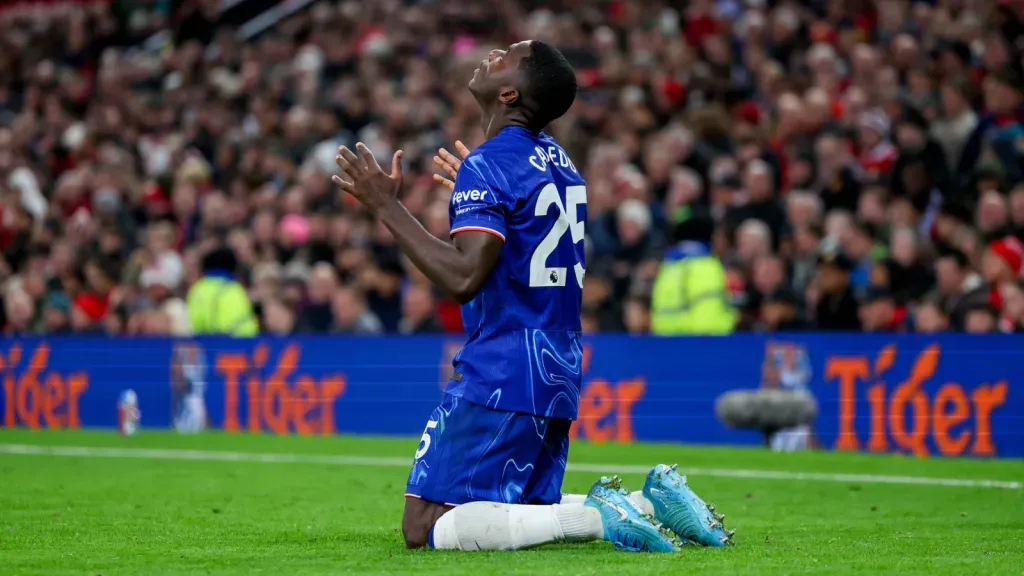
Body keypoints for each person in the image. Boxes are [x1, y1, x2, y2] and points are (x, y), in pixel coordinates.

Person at [332, 40, 731, 553]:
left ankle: (596, 518)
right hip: (557, 364)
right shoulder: (560, 161)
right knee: (522, 508)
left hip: (502, 365)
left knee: (424, 523)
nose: (493, 53)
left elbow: (462, 277)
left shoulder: (490, 164)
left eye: (506, 57)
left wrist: (386, 205)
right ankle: (650, 501)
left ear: (509, 93)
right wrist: (478, 186)